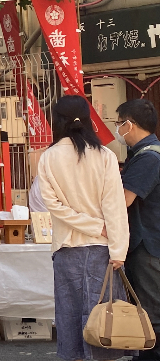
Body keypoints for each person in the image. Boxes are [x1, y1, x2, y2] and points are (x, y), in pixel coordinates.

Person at [36, 95, 133, 361]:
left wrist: (92, 226)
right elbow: (114, 205)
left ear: (56, 121)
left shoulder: (48, 157)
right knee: (104, 316)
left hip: (67, 248)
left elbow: (53, 206)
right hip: (103, 250)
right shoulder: (105, 156)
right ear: (88, 119)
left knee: (69, 316)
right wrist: (118, 248)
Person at [115, 99, 160, 361]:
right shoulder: (146, 154)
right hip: (146, 241)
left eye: (119, 123)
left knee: (149, 311)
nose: (118, 129)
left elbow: (124, 199)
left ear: (129, 124)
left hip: (146, 244)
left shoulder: (148, 158)